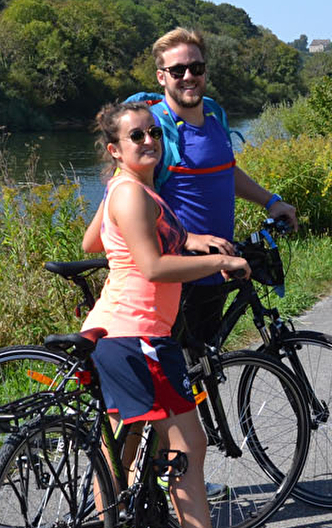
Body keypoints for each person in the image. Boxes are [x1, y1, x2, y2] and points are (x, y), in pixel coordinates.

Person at [81, 100, 251, 528]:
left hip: (116, 331)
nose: (148, 140)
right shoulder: (131, 193)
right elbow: (154, 266)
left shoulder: (125, 188)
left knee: (120, 448)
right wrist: (219, 263)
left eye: (153, 132)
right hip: (138, 335)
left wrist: (187, 239)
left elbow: (92, 243)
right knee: (187, 446)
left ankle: (114, 520)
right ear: (114, 148)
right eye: (135, 136)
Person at [84, 27, 298, 349]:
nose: (188, 77)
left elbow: (226, 172)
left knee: (204, 372)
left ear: (205, 71)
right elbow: (121, 196)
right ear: (161, 77)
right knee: (177, 375)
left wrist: (271, 201)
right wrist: (190, 239)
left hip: (216, 270)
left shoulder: (214, 113)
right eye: (177, 70)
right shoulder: (152, 132)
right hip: (178, 275)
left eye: (196, 68)